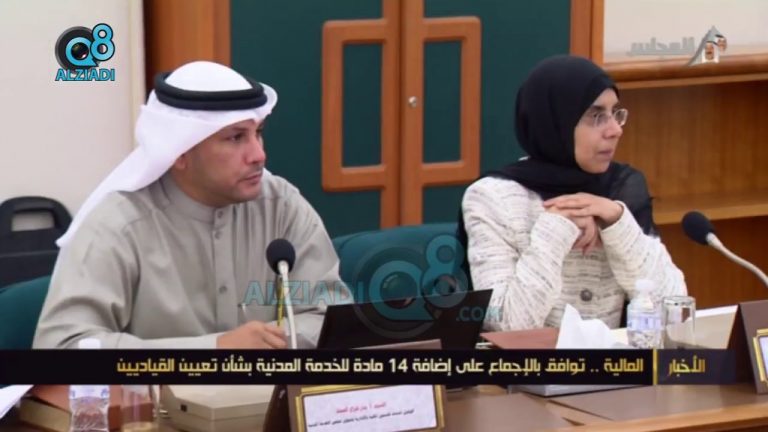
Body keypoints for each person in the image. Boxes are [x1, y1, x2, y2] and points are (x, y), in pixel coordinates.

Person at [33, 61, 351, 349]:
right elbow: (62, 347)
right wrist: (215, 351)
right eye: (236, 138)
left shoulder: (282, 208)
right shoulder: (118, 227)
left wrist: (267, 346)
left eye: (258, 133)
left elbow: (328, 317)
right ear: (179, 152)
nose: (258, 155)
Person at [458, 55, 686, 332]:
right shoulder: (493, 199)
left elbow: (675, 310)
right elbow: (505, 324)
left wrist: (617, 222)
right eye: (596, 116)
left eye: (615, 113)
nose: (615, 130)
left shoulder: (622, 188)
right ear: (555, 122)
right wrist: (556, 228)